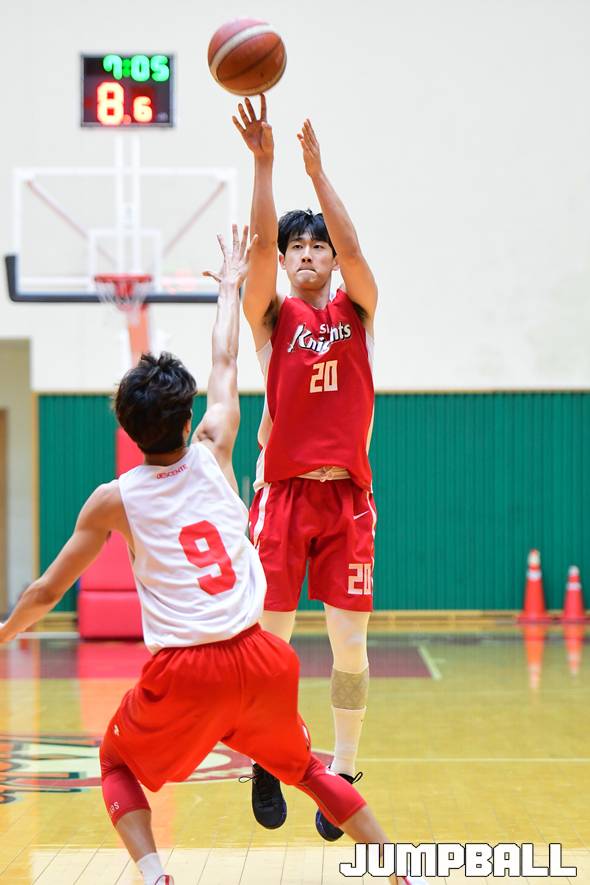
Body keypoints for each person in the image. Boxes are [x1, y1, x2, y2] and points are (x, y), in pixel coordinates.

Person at [0, 228, 420, 885]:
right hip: (261, 656)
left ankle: (155, 874)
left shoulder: (113, 500)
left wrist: (5, 633)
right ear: (188, 414)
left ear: (125, 426)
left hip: (186, 669)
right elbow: (225, 360)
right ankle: (400, 868)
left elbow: (46, 593)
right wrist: (228, 289)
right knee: (311, 770)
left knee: (115, 763)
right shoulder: (216, 444)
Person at [233, 95, 377, 841]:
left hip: (347, 499)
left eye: (319, 246)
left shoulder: (360, 311)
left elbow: (354, 251)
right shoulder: (273, 319)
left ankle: (342, 772)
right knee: (273, 643)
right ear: (288, 263)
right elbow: (259, 249)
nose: (311, 254)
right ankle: (269, 755)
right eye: (300, 248)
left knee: (350, 643)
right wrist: (265, 166)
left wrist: (319, 176)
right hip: (284, 497)